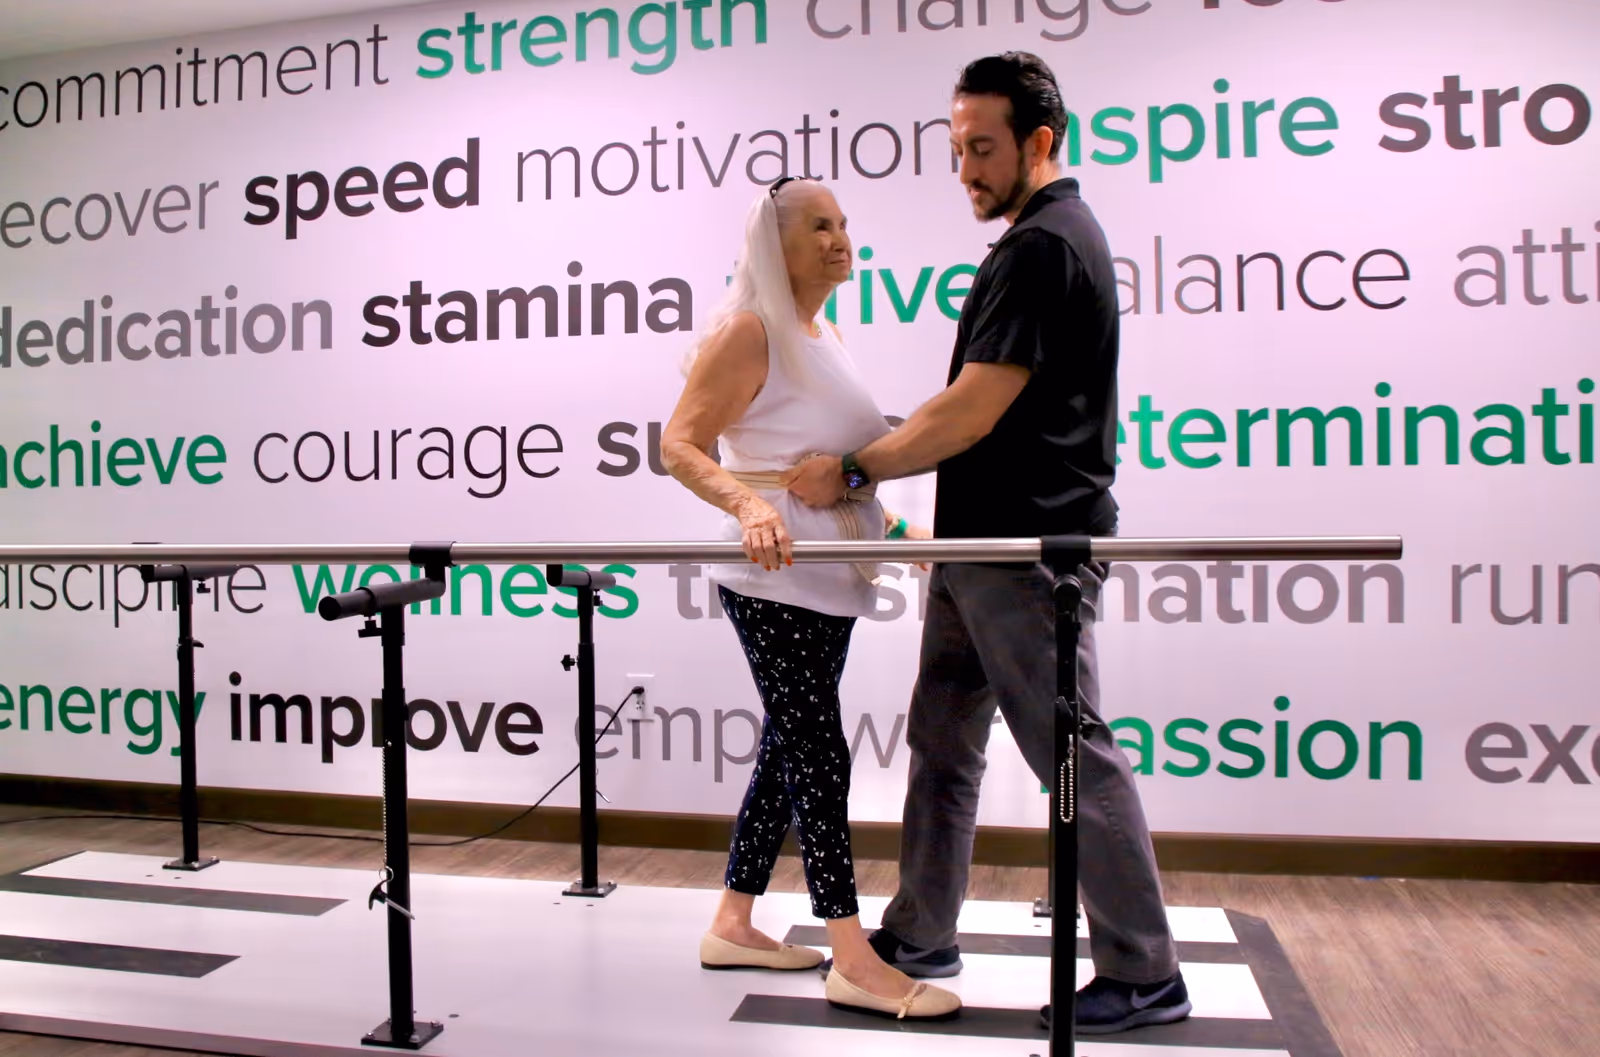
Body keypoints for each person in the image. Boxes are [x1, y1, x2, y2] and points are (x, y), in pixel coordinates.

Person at [786, 52, 1190, 1035]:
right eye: (956, 147)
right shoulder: (1041, 240)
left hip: (1025, 553)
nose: (964, 168)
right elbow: (970, 408)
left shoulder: (1043, 246)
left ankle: (1143, 971)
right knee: (941, 739)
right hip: (979, 549)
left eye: (982, 149)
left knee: (1068, 751)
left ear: (1039, 141)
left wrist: (852, 471)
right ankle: (922, 930)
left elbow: (972, 408)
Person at [660, 177, 961, 1021]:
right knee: (819, 751)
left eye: (843, 224)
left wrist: (907, 546)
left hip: (826, 577)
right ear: (776, 244)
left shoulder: (820, 332)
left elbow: (836, 474)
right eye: (818, 226)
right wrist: (750, 505)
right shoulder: (750, 331)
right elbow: (677, 443)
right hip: (773, 576)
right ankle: (853, 955)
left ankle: (732, 920)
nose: (838, 238)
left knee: (790, 748)